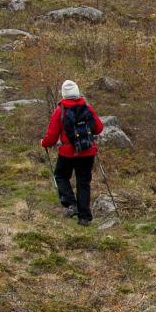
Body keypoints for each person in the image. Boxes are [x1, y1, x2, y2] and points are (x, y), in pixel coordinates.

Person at [40, 80, 104, 225]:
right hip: (88, 151)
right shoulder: (87, 107)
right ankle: (84, 217)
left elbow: (51, 137)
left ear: (63, 94)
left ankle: (70, 204)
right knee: (83, 183)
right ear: (77, 92)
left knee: (61, 176)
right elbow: (99, 128)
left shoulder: (60, 110)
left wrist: (43, 143)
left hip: (68, 152)